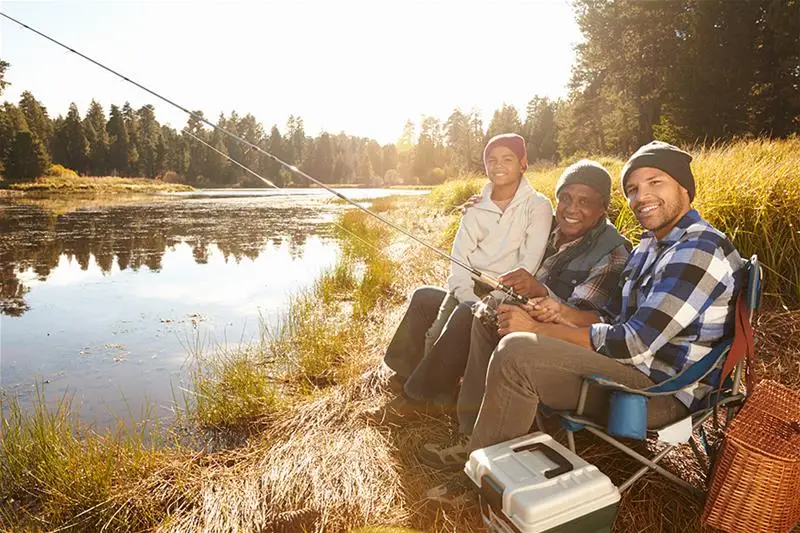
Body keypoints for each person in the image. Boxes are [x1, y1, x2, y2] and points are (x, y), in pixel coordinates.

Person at [426, 141, 745, 470]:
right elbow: (612, 318)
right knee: (494, 317)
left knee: (516, 353)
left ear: (684, 188)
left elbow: (633, 344)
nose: (642, 197)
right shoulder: (650, 246)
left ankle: (485, 474)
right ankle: (472, 438)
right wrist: (559, 311)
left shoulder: (698, 249)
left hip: (660, 392)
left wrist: (538, 329)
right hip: (628, 368)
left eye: (655, 182)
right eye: (633, 189)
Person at [418, 159, 631, 467]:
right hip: (521, 313)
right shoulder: (548, 227)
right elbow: (501, 229)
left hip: (568, 343)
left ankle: (470, 432)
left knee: (486, 310)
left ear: (603, 209)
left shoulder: (613, 255)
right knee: (436, 299)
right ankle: (458, 411)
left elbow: (583, 320)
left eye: (585, 202)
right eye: (566, 198)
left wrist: (541, 292)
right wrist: (480, 210)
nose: (572, 208)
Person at [381, 133, 553, 411]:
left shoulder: (538, 206)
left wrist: (489, 299)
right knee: (426, 303)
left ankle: (418, 398)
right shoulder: (475, 208)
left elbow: (529, 264)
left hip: (506, 294)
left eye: (507, 159)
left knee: (459, 320)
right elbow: (459, 259)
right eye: (491, 159)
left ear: (523, 164)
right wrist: (465, 294)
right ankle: (404, 373)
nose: (498, 165)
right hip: (469, 286)